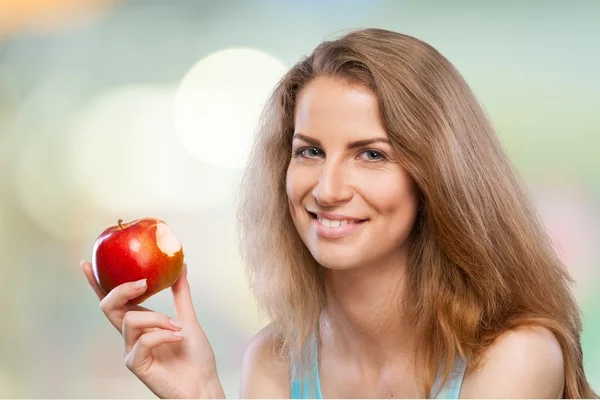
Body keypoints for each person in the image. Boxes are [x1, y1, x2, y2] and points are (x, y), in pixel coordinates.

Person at [81, 28, 598, 398]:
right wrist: (199, 393)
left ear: (435, 177)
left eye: (371, 154)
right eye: (309, 151)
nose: (327, 189)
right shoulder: (275, 364)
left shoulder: (515, 357)